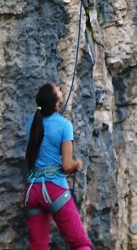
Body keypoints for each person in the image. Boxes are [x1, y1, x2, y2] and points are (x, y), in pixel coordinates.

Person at [24, 83, 91, 250]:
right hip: (54, 190)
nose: (61, 88)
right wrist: (77, 163)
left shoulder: (32, 120)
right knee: (80, 243)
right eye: (58, 89)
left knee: (38, 247)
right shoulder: (64, 125)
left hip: (32, 190)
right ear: (55, 101)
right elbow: (67, 165)